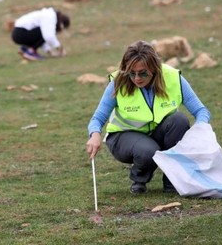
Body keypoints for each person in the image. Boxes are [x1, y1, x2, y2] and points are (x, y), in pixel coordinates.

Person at [85, 40, 211, 195]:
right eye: (132, 73)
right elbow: (97, 118)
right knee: (148, 150)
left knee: (179, 120)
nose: (137, 78)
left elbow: (201, 110)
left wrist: (201, 127)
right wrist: (95, 134)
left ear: (154, 69)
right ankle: (139, 179)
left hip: (156, 134)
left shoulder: (171, 77)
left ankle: (172, 180)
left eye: (143, 73)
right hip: (123, 137)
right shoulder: (119, 81)